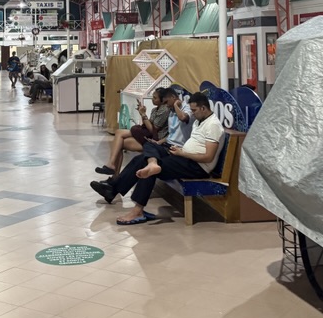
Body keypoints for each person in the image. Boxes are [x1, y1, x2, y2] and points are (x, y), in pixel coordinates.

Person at [90, 92, 224, 225]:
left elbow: (208, 157)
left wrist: (182, 153)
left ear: (203, 108)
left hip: (196, 166)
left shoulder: (213, 125)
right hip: (184, 157)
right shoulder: (200, 121)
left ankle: (134, 207)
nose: (193, 113)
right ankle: (149, 165)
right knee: (148, 146)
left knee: (146, 166)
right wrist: (180, 151)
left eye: (194, 110)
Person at [94, 88, 174, 178]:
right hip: (148, 135)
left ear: (162, 100)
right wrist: (142, 113)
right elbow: (148, 125)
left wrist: (143, 114)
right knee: (118, 141)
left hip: (154, 140)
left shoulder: (165, 110)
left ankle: (112, 170)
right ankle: (113, 173)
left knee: (119, 139)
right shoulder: (155, 110)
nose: (152, 99)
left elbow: (153, 130)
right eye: (152, 97)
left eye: (155, 98)